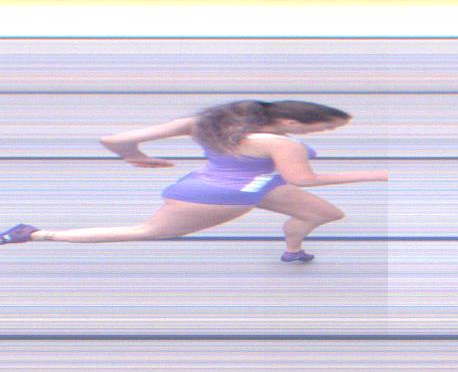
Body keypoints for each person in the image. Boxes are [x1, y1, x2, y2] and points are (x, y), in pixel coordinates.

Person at [0, 100, 386, 260]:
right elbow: (303, 179)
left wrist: (134, 155)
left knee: (323, 214)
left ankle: (293, 251)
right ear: (290, 122)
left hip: (250, 185)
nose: (326, 133)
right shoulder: (279, 143)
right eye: (326, 128)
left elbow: (114, 140)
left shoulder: (207, 123)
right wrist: (376, 174)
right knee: (146, 232)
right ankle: (35, 234)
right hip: (218, 198)